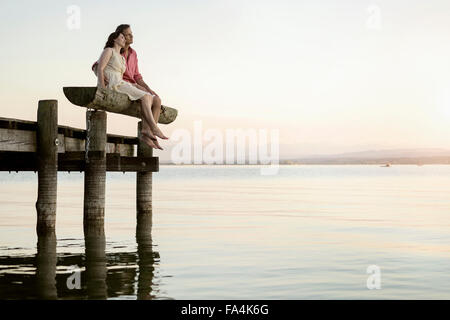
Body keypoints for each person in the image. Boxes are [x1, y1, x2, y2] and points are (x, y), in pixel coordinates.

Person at [95, 30, 168, 149]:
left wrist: (142, 87)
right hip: (114, 84)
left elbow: (134, 76)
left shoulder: (123, 57)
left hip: (122, 83)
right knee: (146, 97)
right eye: (122, 37)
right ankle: (153, 127)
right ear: (114, 39)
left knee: (154, 99)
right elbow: (99, 68)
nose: (124, 39)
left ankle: (146, 131)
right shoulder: (109, 51)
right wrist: (102, 87)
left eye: (125, 37)